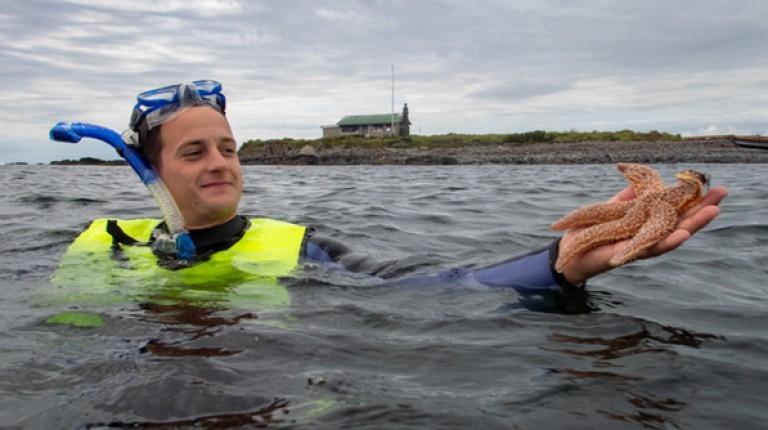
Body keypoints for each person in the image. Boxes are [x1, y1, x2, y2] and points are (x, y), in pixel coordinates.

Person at [54, 80, 728, 312]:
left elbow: (437, 285)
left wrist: (559, 262)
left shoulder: (298, 245)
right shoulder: (102, 246)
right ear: (149, 172)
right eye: (194, 152)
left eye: (229, 148)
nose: (221, 164)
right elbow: (62, 349)